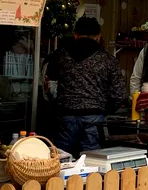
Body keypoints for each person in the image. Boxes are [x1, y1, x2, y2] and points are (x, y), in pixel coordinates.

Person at [47, 16, 126, 157]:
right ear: (98, 36)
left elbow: (49, 86)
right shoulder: (108, 60)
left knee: (60, 159)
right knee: (92, 160)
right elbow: (119, 94)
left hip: (66, 116)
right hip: (94, 117)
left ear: (75, 35)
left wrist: (58, 106)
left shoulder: (60, 56)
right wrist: (103, 110)